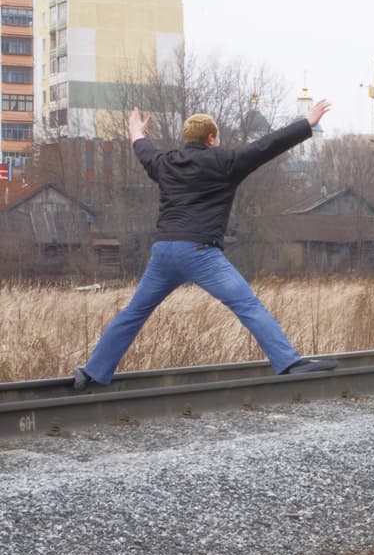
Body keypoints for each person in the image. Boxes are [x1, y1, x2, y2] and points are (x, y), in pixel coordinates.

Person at [72, 100, 339, 390]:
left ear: (188, 139)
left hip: (163, 253)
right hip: (200, 253)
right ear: (210, 138)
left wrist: (136, 132)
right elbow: (266, 146)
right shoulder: (225, 162)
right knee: (246, 304)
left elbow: (144, 151)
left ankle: (93, 372)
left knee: (134, 312)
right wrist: (306, 123)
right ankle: (288, 362)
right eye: (218, 136)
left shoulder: (166, 163)